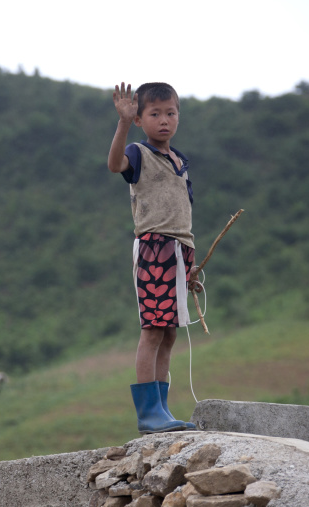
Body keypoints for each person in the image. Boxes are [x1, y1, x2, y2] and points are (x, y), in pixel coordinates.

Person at [108, 82, 201, 434]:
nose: (164, 120)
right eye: (155, 114)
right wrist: (121, 123)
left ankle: (162, 408)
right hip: (154, 248)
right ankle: (148, 414)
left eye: (171, 113)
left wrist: (189, 266)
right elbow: (114, 164)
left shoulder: (180, 161)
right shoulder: (137, 152)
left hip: (180, 249)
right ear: (140, 119)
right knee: (152, 330)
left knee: (170, 333)